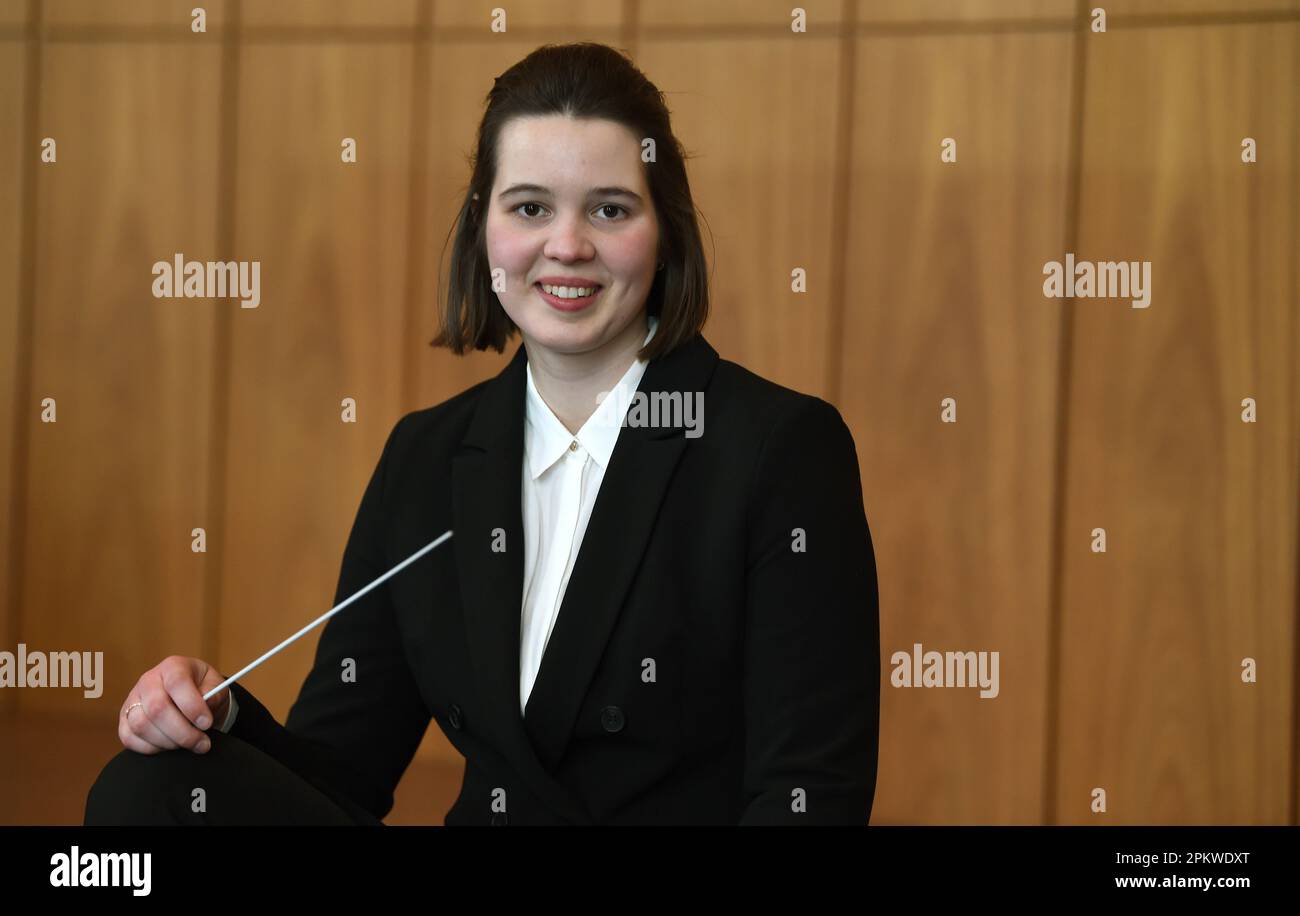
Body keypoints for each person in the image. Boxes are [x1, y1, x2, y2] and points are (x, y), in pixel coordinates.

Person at [85, 41, 879, 826]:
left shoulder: (779, 449)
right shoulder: (426, 458)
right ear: (484, 228)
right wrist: (218, 718)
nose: (566, 246)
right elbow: (342, 776)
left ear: (664, 230)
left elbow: (810, 794)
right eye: (530, 206)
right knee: (147, 790)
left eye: (610, 208)